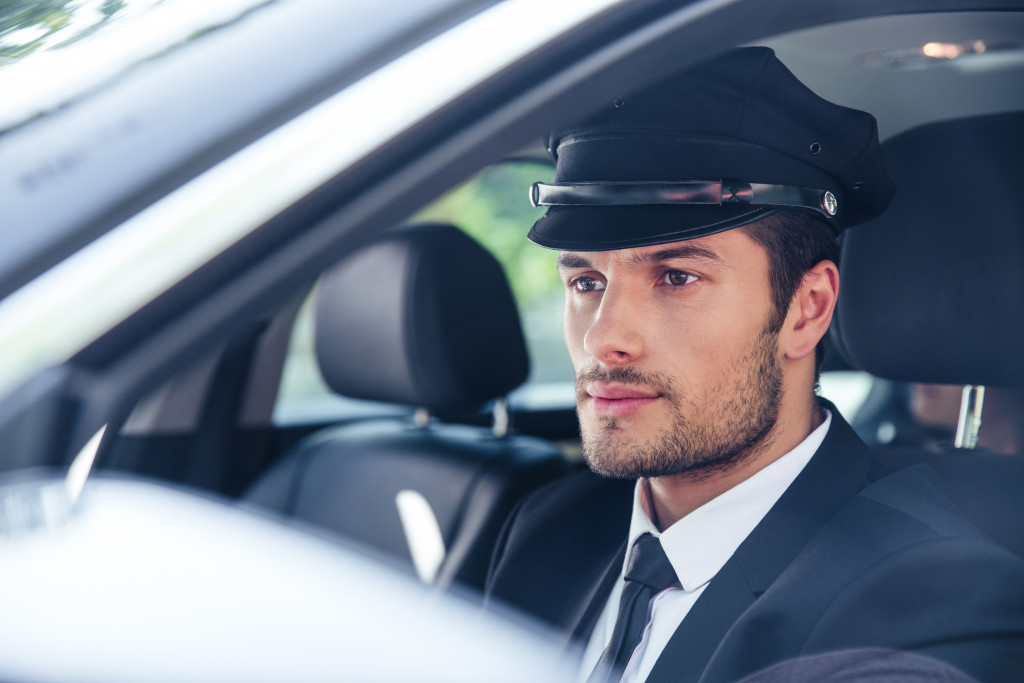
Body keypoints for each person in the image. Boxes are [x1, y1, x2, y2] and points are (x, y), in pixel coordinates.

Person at [484, 48, 1024, 683]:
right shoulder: (547, 526)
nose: (605, 342)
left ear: (806, 309)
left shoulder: (934, 601)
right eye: (586, 283)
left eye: (676, 277)